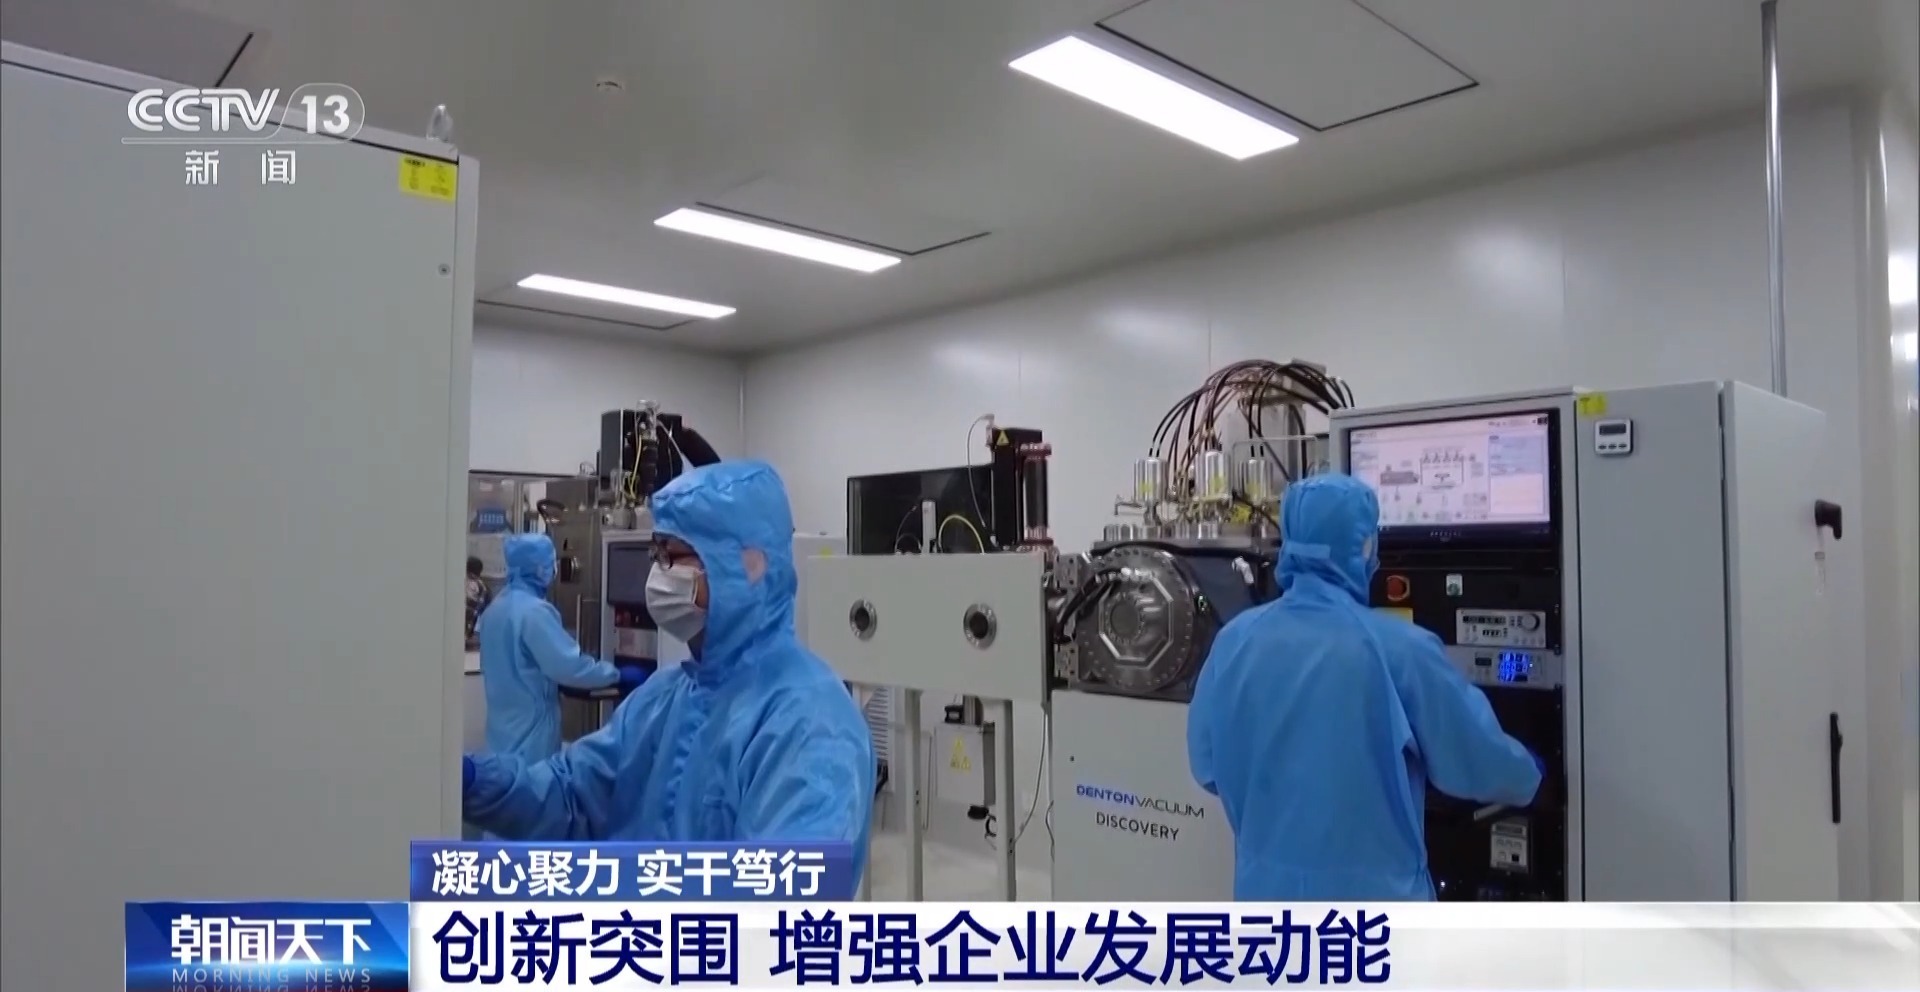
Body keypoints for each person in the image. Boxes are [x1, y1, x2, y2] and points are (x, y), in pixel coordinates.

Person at [463, 460, 875, 876]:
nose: (659, 575)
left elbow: (777, 891)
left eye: (674, 556)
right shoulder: (663, 698)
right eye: (656, 554)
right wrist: (473, 780)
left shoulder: (811, 723)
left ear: (748, 567)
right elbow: (571, 796)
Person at [1187, 473, 1543, 900]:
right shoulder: (1400, 648)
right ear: (1366, 546)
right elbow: (1476, 762)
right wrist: (1531, 773)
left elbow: (1206, 767)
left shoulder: (1235, 640)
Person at [478, 534, 647, 765]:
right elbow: (570, 668)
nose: (555, 569)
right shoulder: (535, 612)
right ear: (540, 568)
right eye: (551, 563)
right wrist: (616, 674)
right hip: (530, 739)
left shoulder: (495, 609)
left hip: (501, 736)